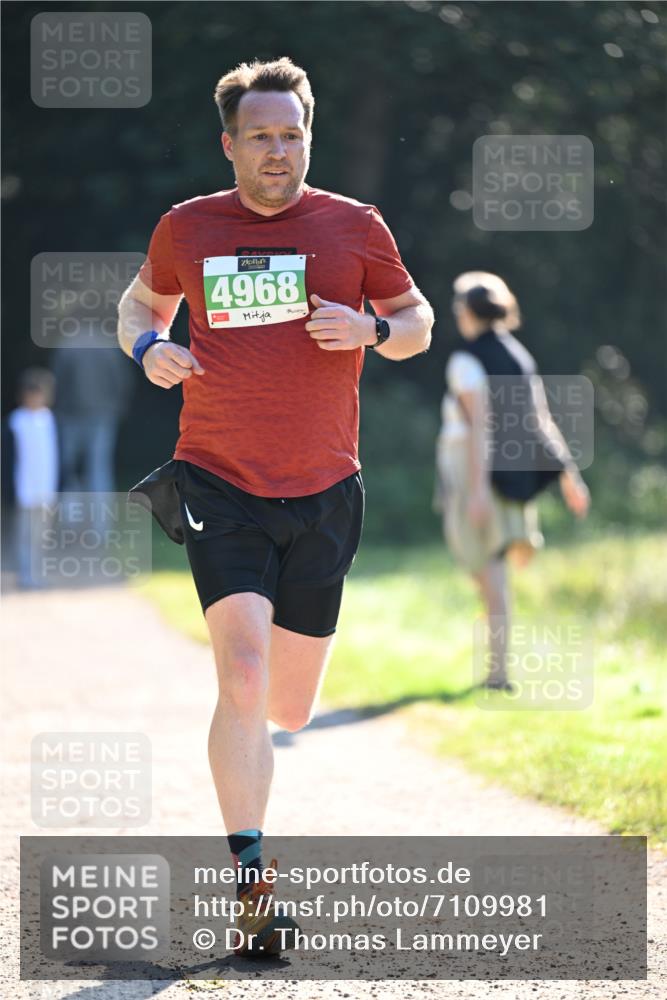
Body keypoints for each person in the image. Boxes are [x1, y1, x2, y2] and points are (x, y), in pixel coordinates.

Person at [117, 57, 433, 955]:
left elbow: (417, 324)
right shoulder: (188, 228)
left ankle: (259, 774)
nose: (277, 150)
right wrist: (147, 344)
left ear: (308, 137)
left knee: (287, 707)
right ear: (229, 144)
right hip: (218, 477)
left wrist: (372, 329)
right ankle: (253, 887)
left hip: (326, 488)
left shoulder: (352, 226)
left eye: (291, 133)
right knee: (243, 677)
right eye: (259, 135)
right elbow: (140, 300)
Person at [435, 271, 589, 690]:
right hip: (509, 474)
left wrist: (478, 493)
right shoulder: (519, 355)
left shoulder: (466, 359)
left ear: (468, 311)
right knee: (492, 570)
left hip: (474, 473)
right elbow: (541, 418)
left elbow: (480, 428)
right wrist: (569, 476)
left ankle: (498, 673)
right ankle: (497, 666)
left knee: (488, 571)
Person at [3, 368, 58, 589]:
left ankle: (37, 572)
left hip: (46, 488)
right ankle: (25, 574)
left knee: (42, 535)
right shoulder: (15, 422)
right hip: (24, 488)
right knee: (24, 533)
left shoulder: (49, 420)